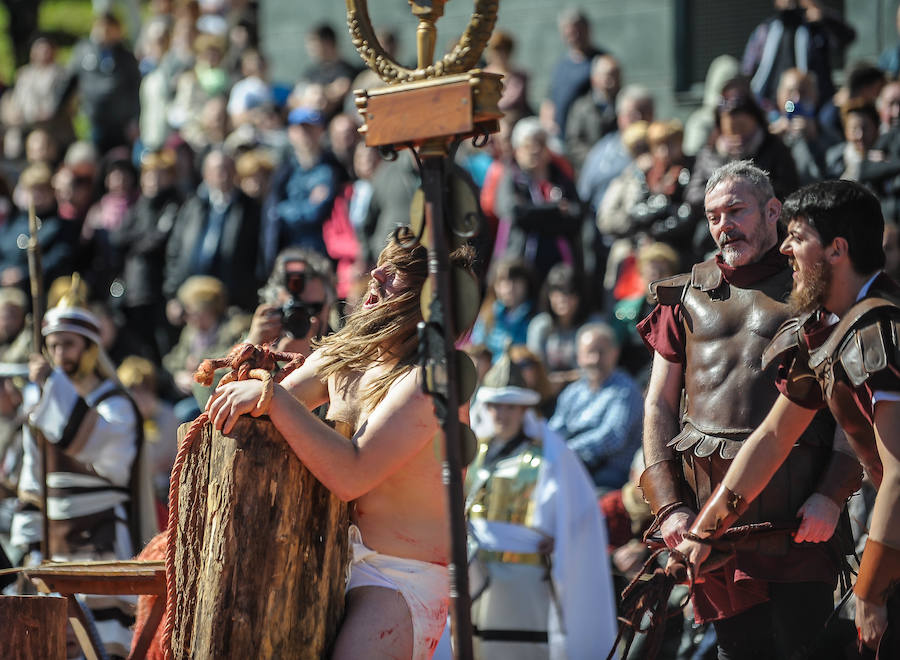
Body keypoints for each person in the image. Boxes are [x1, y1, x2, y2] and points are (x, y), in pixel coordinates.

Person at [206, 229, 475, 660]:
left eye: (396, 273)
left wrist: (269, 396)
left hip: (403, 578)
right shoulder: (348, 351)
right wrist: (257, 378)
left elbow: (352, 474)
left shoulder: (432, 378)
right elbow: (264, 409)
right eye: (381, 264)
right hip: (331, 559)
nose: (375, 274)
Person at [638, 161, 861, 660]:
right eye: (714, 216)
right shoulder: (683, 295)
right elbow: (658, 404)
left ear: (772, 211)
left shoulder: (817, 292)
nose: (724, 226)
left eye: (735, 210)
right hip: (710, 526)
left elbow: (848, 405)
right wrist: (669, 503)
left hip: (797, 523)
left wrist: (831, 493)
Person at [672, 179, 900, 655]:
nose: (787, 249)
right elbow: (773, 437)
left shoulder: (880, 330)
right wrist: (704, 532)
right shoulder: (828, 333)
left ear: (837, 249)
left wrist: (871, 591)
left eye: (797, 237)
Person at [10, 278, 154, 657]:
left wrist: (49, 388)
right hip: (54, 541)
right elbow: (32, 478)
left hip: (101, 539)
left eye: (68, 344)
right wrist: (27, 544)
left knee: (102, 643)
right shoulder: (45, 402)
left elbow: (90, 443)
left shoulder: (116, 404)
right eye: (53, 345)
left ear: (89, 348)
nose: (59, 354)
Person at [464, 347, 617, 659]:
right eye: (494, 405)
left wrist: (560, 543)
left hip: (525, 582)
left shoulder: (550, 455)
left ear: (523, 410)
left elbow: (578, 515)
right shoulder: (475, 454)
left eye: (509, 406)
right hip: (477, 576)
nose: (500, 414)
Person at [548, 322, 642, 491]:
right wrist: (545, 444)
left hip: (610, 473)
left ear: (615, 353)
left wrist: (566, 451)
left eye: (601, 352)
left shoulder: (625, 390)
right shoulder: (573, 392)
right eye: (590, 352)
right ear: (579, 357)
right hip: (572, 464)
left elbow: (612, 437)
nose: (595, 360)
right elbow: (556, 428)